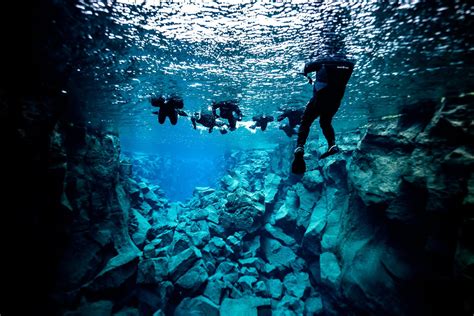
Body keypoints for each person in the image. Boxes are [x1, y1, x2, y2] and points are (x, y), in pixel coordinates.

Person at [292, 53, 355, 174]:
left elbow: (302, 69)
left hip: (320, 99)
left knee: (305, 122)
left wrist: (307, 74)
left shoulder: (322, 61)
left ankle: (300, 146)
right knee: (325, 122)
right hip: (335, 101)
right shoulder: (348, 64)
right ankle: (332, 144)